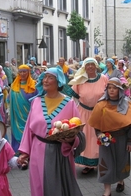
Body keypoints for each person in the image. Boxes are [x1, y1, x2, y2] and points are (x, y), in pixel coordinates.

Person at [17, 67, 86, 196]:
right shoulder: (36, 102)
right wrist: (25, 153)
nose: (45, 80)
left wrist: (71, 140)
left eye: (50, 77)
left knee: (58, 188)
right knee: (39, 186)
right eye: (44, 77)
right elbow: (28, 130)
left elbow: (78, 132)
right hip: (38, 151)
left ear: (58, 81)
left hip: (60, 153)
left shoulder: (69, 103)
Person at [88, 77, 131, 196]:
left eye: (114, 88)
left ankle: (121, 181)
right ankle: (107, 190)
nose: (111, 90)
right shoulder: (101, 105)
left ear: (120, 89)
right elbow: (96, 123)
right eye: (109, 88)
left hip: (122, 139)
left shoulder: (128, 105)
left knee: (121, 161)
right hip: (106, 139)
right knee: (106, 163)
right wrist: (99, 135)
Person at [69, 58, 108, 174]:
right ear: (84, 67)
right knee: (85, 137)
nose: (90, 67)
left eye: (92, 64)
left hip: (99, 113)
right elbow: (74, 97)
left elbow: (109, 93)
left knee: (98, 137)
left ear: (96, 66)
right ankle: (87, 164)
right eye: (87, 65)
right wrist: (76, 108)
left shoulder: (103, 78)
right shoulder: (80, 80)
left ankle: (101, 161)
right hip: (84, 112)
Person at [8, 64, 38, 153]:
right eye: (20, 72)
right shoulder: (14, 85)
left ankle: (29, 151)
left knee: (29, 132)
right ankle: (18, 152)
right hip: (16, 116)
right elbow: (9, 100)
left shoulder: (34, 85)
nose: (22, 74)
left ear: (28, 72)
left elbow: (38, 100)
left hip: (29, 115)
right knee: (17, 132)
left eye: (24, 71)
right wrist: (9, 114)